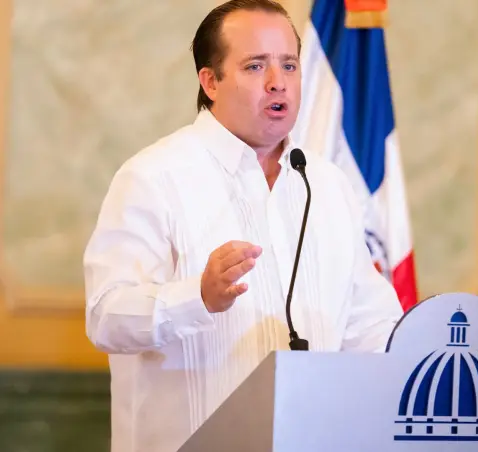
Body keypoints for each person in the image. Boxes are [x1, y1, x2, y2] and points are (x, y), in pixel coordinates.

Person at [83, 1, 403, 450]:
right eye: (255, 66)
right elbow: (105, 317)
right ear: (210, 81)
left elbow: (369, 324)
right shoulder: (153, 177)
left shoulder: (327, 184)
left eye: (289, 65)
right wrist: (198, 297)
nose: (278, 82)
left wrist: (421, 350)